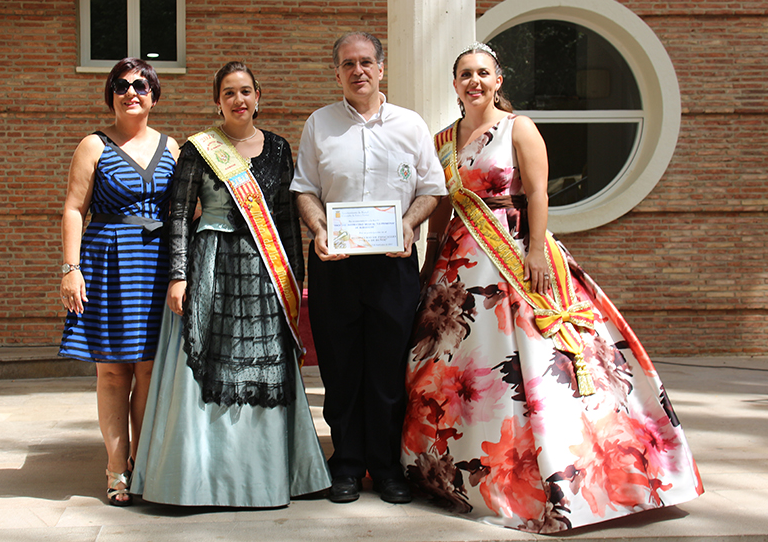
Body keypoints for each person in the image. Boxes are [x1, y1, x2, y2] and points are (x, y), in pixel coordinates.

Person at [401, 42, 704, 532]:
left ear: (498, 80)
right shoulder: (443, 140)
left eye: (483, 73)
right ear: (454, 84)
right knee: (449, 367)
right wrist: (430, 255)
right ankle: (452, 474)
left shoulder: (518, 127)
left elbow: (539, 192)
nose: (474, 81)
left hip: (514, 249)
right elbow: (442, 205)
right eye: (465, 74)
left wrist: (537, 250)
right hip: (458, 264)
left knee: (535, 363)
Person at [129, 61, 331, 507]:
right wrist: (178, 276)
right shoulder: (199, 149)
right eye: (229, 93)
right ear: (217, 102)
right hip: (211, 264)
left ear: (258, 96)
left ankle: (264, 479)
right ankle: (199, 480)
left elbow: (285, 219)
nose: (238, 100)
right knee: (209, 361)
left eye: (245, 91)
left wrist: (294, 281)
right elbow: (178, 216)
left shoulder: (278, 148)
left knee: (263, 365)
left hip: (265, 269)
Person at [291, 32, 447, 504]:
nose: (357, 71)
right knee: (340, 372)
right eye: (347, 64)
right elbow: (305, 189)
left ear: (382, 68)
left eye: (365, 62)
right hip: (334, 265)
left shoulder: (411, 125)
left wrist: (408, 225)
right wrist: (319, 228)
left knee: (387, 372)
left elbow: (431, 189)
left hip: (392, 265)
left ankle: (385, 468)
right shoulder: (319, 124)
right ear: (337, 73)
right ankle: (345, 465)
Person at [58, 58, 180, 507]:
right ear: (111, 94)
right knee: (112, 371)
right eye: (122, 85)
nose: (132, 92)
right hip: (108, 263)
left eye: (141, 85)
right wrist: (71, 269)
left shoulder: (172, 148)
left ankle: (142, 464)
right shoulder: (94, 145)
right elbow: (74, 208)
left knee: (148, 369)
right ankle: (116, 468)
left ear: (154, 96)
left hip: (156, 267)